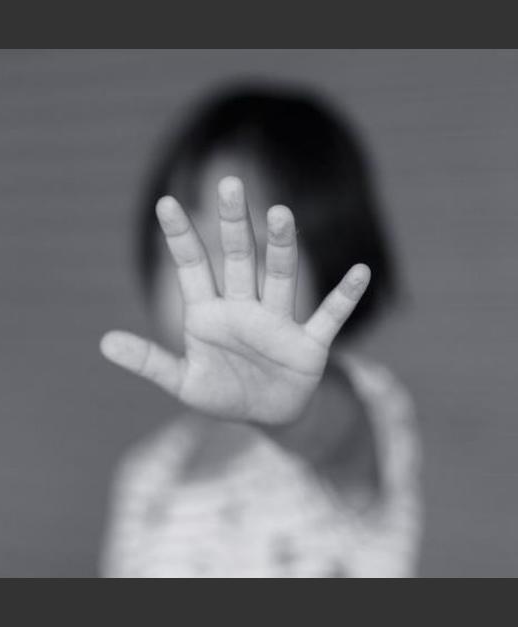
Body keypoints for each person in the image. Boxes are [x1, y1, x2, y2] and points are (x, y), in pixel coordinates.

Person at [99, 84, 421, 577]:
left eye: (250, 246)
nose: (214, 273)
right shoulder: (148, 473)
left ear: (335, 257)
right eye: (187, 239)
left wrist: (290, 413)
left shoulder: (354, 416)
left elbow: (331, 433)